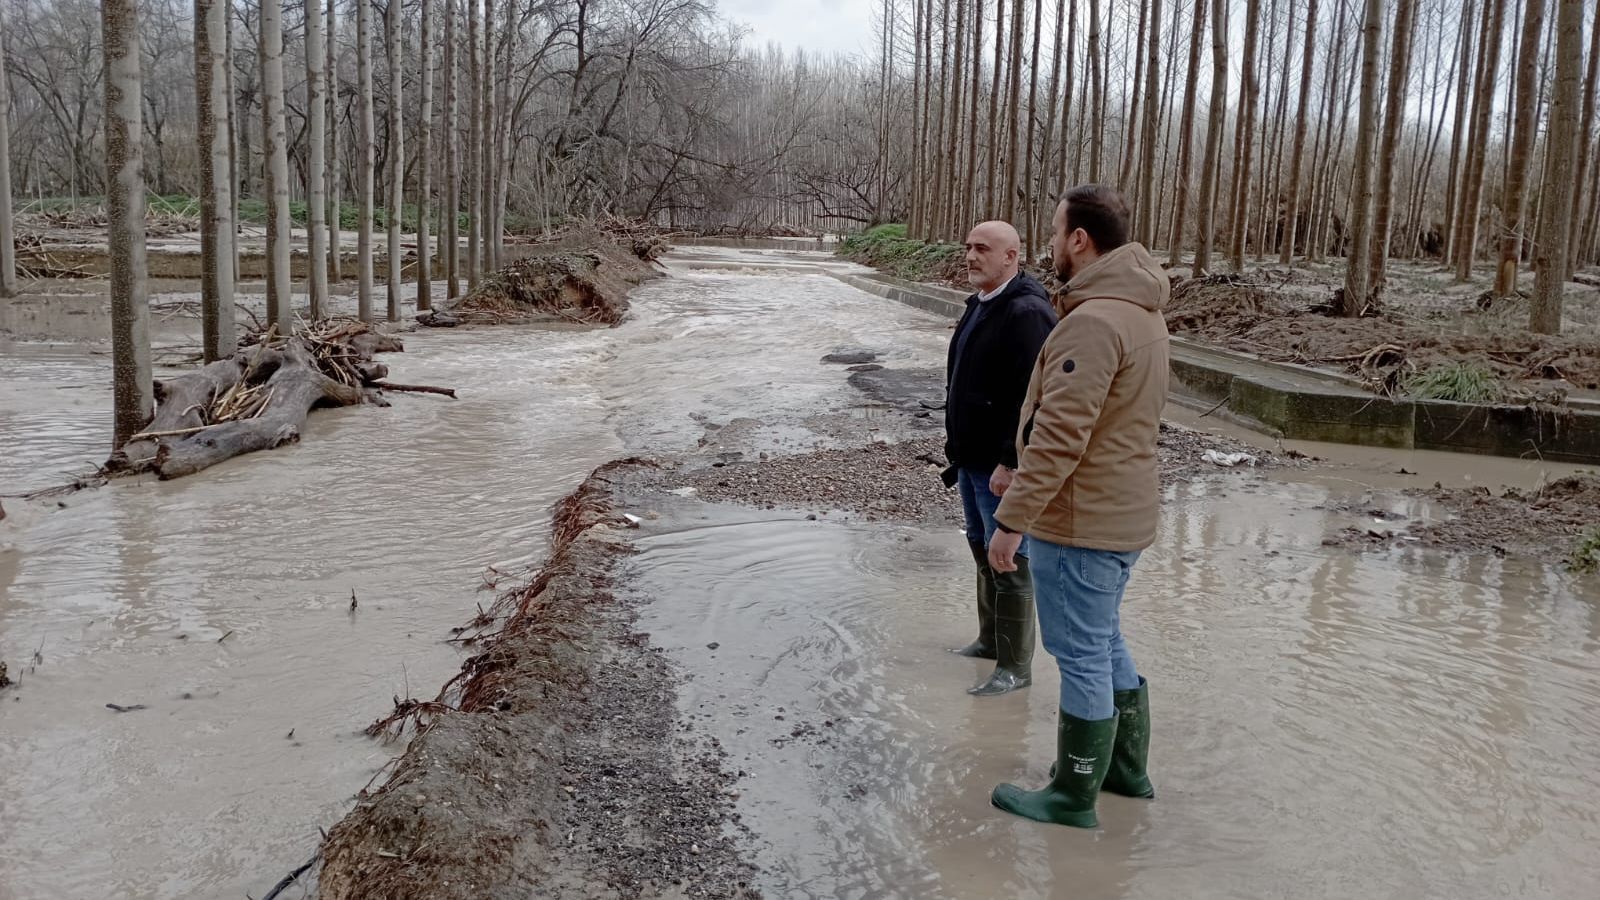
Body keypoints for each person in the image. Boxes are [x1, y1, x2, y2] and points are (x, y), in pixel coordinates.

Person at [985, 185, 1169, 828]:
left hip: (1083, 519)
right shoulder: (1141, 312)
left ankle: (1073, 795)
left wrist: (1011, 523)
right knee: (1106, 638)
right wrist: (1017, 468)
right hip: (1123, 511)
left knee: (1081, 653)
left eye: (1056, 231)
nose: (1052, 244)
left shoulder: (1092, 321)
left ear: (1080, 240)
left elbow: (1062, 436)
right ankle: (1124, 772)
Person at [943, 220, 1058, 696]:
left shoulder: (1027, 312)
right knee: (979, 543)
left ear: (1012, 256)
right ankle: (991, 640)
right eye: (968, 247)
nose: (971, 256)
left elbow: (1035, 398)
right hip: (971, 458)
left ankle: (1015, 666)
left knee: (1007, 555)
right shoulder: (983, 303)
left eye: (983, 249)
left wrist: (1012, 462)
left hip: (999, 464)